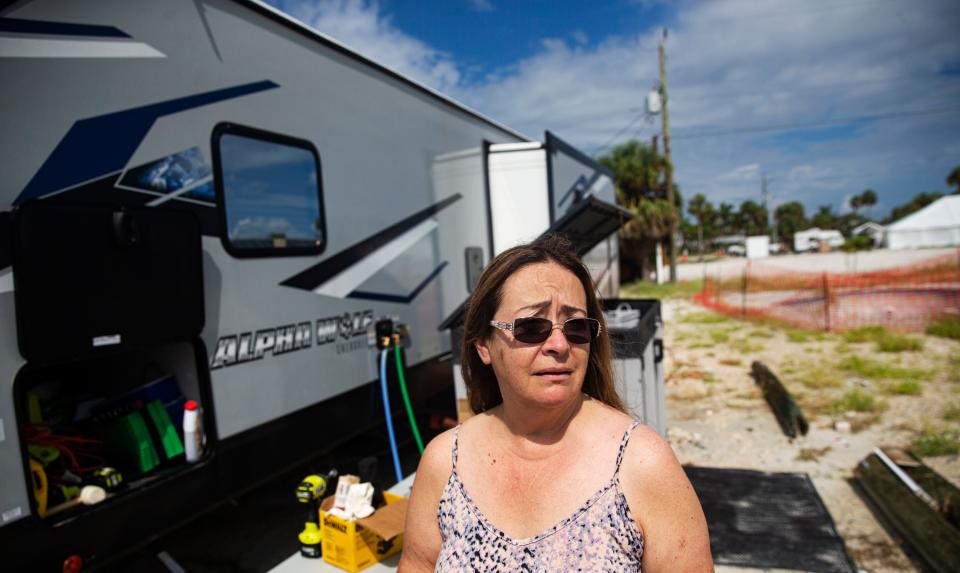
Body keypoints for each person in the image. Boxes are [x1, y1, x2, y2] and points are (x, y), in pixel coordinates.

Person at [399, 235, 712, 572]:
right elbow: (418, 563)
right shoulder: (445, 461)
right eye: (532, 327)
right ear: (484, 346)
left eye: (576, 327)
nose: (560, 344)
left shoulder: (641, 463)